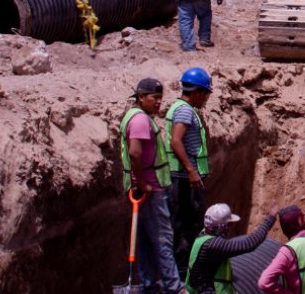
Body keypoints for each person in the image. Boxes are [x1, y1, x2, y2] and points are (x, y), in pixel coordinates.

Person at [119, 77, 182, 294]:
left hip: (143, 190)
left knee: (145, 240)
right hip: (150, 190)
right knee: (163, 238)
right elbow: (135, 153)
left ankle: (148, 285)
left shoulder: (135, 116)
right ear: (141, 97)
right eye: (155, 98)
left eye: (160, 98)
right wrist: (144, 183)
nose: (159, 102)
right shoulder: (140, 120)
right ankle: (174, 287)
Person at [168, 67, 214, 274]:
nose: (206, 99)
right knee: (187, 228)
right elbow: (176, 141)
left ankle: (186, 271)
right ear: (196, 91)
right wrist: (191, 171)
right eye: (205, 94)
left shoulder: (182, 108)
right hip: (184, 180)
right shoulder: (185, 110)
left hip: (184, 177)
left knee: (187, 226)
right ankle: (184, 274)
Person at [187, 203, 278, 294]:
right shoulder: (214, 245)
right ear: (221, 226)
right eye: (229, 224)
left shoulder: (203, 235)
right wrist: (270, 219)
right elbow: (249, 244)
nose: (230, 228)